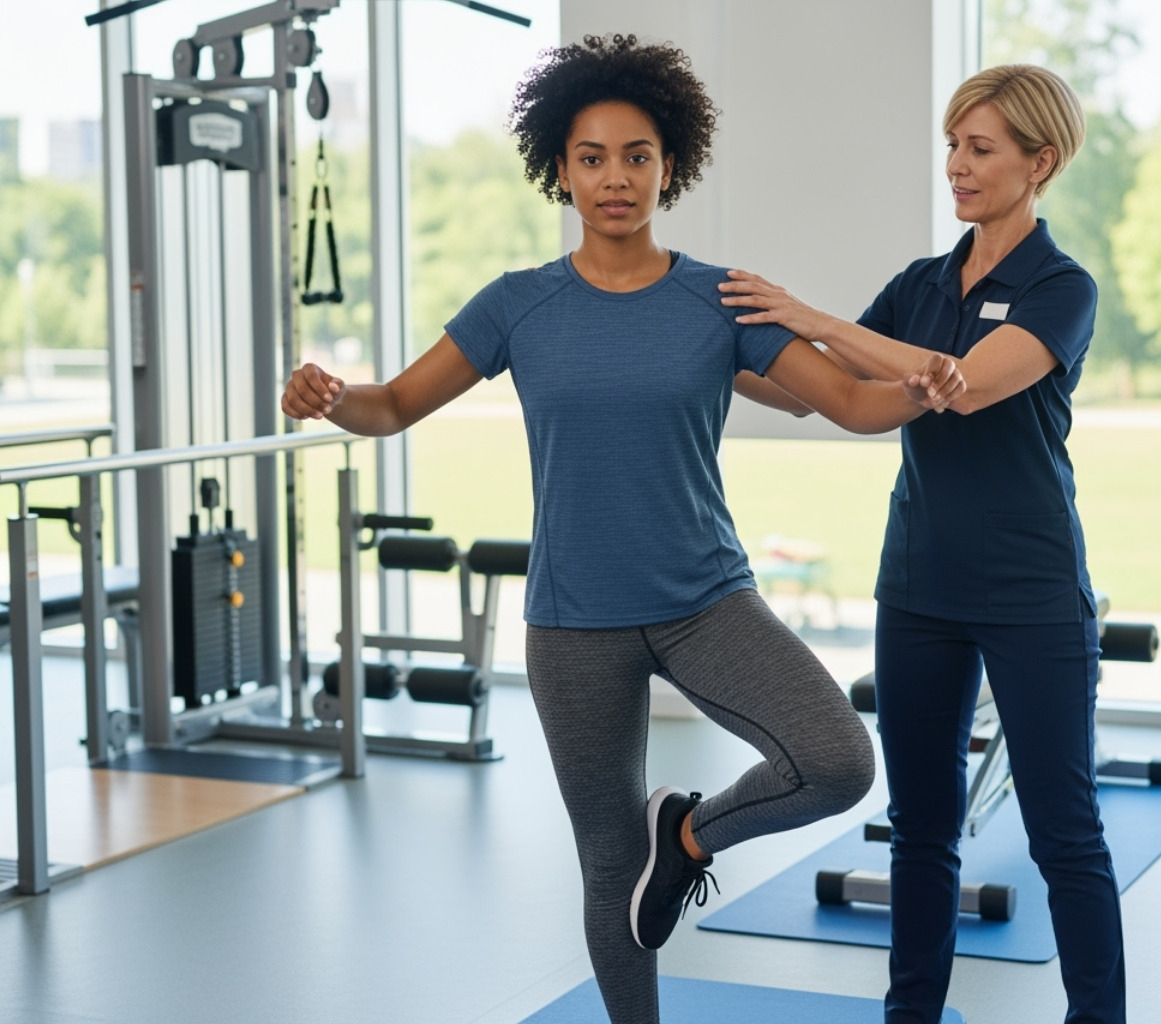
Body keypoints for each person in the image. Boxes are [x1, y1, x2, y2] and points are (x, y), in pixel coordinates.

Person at [280, 34, 965, 1024]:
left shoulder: (717, 299)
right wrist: (332, 395)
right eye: (593, 157)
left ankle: (684, 837)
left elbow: (848, 405)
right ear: (559, 168)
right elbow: (390, 407)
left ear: (669, 165)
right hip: (573, 624)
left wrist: (926, 388)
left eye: (637, 155)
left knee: (839, 762)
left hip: (704, 602)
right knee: (608, 866)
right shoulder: (518, 306)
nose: (615, 178)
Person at [719, 64, 1125, 1024]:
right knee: (921, 833)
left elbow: (967, 382)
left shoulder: (1062, 288)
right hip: (919, 590)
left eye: (981, 149)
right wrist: (715, 345)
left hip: (1031, 592)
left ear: (1042, 162)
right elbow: (828, 392)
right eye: (953, 146)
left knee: (1065, 835)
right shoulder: (923, 283)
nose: (957, 166)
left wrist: (810, 317)